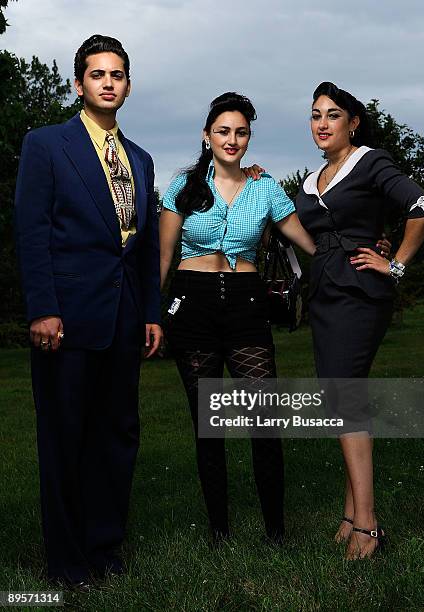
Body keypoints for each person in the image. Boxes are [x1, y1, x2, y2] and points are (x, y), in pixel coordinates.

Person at [247, 82, 424, 559]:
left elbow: (423, 207)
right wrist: (261, 181)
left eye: (333, 115)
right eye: (315, 115)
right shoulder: (312, 181)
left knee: (346, 396)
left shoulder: (371, 161)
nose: (322, 123)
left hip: (360, 293)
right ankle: (351, 513)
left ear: (352, 122)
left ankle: (368, 528)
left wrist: (394, 263)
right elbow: (296, 228)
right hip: (325, 296)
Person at [14, 34, 162, 586]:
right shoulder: (47, 145)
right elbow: (31, 233)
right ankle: (68, 560)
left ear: (127, 85)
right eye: (97, 73)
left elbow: (143, 248)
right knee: (65, 436)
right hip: (67, 319)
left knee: (116, 434)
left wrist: (151, 313)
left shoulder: (142, 160)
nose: (108, 82)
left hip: (125, 320)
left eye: (118, 74)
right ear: (79, 83)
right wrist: (43, 309)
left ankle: (105, 548)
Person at [159, 92, 316, 544]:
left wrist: (358, 249)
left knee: (264, 419)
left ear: (249, 137)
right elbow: (164, 257)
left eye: (241, 132)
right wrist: (151, 315)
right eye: (223, 131)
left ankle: (276, 531)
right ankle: (219, 531)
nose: (232, 139)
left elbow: (307, 241)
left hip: (247, 303)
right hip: (194, 304)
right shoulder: (182, 187)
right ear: (206, 137)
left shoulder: (265, 187)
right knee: (208, 424)